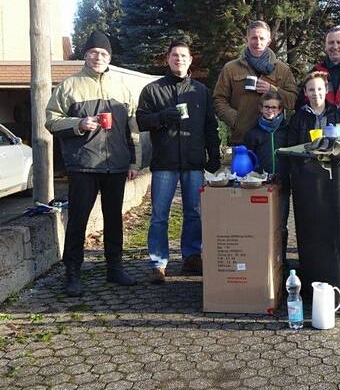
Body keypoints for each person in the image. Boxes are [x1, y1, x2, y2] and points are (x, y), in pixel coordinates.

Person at [45, 31, 141, 297]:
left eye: (104, 53)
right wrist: (78, 124)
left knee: (114, 219)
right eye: (93, 53)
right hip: (83, 164)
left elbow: (131, 129)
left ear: (110, 57)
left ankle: (115, 268)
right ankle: (73, 272)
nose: (98, 57)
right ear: (85, 55)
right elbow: (51, 120)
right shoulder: (69, 86)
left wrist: (134, 161)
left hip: (116, 165)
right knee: (78, 220)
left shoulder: (122, 87)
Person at [136, 41, 220, 283]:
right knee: (160, 214)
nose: (179, 59)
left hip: (194, 161)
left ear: (190, 60)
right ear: (168, 58)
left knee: (193, 212)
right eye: (175, 55)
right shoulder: (152, 90)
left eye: (184, 56)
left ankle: (192, 257)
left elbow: (210, 126)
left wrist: (213, 154)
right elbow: (141, 121)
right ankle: (158, 263)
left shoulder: (201, 91)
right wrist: (162, 117)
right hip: (165, 162)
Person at [213, 20, 298, 145]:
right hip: (242, 138)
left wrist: (273, 90)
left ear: (269, 41)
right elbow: (218, 99)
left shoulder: (282, 69)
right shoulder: (231, 68)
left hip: (273, 138)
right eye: (254, 38)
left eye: (262, 38)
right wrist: (235, 119)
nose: (258, 42)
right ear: (247, 39)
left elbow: (293, 101)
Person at [243, 90, 290, 259]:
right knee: (260, 226)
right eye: (267, 107)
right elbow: (247, 161)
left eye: (274, 108)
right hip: (260, 187)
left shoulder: (287, 131)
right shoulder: (252, 133)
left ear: (280, 110)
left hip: (283, 185)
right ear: (260, 109)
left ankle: (281, 261)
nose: (270, 110)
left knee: (281, 226)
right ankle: (260, 260)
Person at [288, 71, 340, 146]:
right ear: (305, 92)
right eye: (311, 90)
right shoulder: (297, 118)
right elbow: (291, 147)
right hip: (307, 156)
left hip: (333, 156)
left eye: (319, 89)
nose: (316, 93)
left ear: (326, 89)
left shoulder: (338, 115)